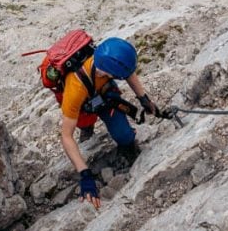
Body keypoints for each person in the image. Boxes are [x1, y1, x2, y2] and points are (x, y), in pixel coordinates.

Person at [58, 37, 165, 209]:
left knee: (124, 135)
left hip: (104, 94)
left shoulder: (107, 61)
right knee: (85, 121)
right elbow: (66, 136)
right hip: (83, 103)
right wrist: (85, 176)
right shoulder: (75, 90)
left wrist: (143, 99)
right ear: (108, 73)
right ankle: (87, 129)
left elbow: (127, 71)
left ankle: (128, 146)